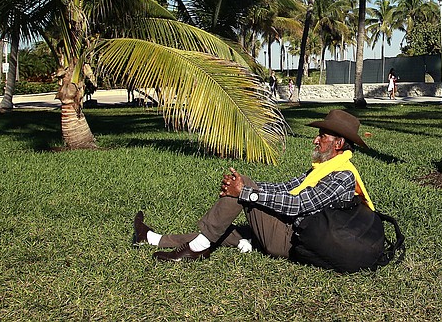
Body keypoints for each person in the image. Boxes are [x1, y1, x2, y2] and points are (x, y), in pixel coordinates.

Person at [133, 109, 374, 263]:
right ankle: (153, 238)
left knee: (243, 189)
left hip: (293, 240)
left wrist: (246, 191)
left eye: (322, 136)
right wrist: (246, 190)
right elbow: (285, 187)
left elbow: (298, 205)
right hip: (292, 232)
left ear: (339, 142)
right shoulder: (324, 167)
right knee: (226, 231)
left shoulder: (342, 176)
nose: (315, 140)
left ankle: (197, 249)